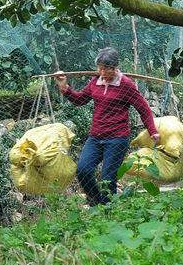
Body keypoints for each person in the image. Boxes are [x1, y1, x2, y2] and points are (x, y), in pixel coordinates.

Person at [55, 47, 159, 206]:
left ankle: (107, 213)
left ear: (115, 67)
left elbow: (143, 108)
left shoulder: (126, 85)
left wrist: (152, 131)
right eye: (99, 68)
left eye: (106, 69)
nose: (102, 72)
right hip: (95, 138)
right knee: (83, 170)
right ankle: (96, 202)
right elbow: (80, 100)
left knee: (107, 179)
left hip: (117, 139)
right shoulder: (95, 82)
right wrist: (64, 88)